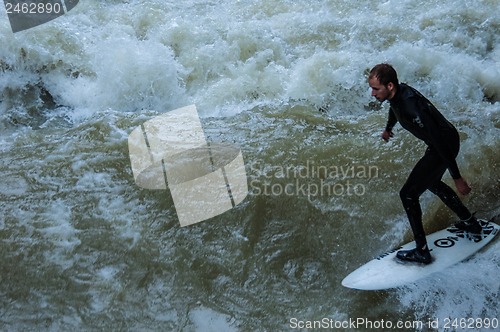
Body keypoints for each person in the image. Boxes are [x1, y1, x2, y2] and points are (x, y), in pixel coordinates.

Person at [368, 63, 482, 264]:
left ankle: (422, 252)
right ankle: (470, 222)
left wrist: (456, 176)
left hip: (443, 144)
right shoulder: (396, 95)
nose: (372, 93)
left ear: (390, 86)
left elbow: (438, 139)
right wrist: (388, 128)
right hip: (441, 141)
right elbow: (394, 109)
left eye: (376, 89)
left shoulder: (411, 106)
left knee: (408, 194)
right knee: (432, 182)